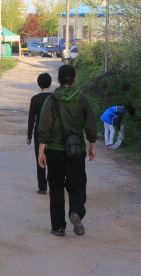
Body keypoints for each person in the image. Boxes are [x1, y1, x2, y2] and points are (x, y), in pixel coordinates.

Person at [37, 65, 98, 237]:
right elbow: (90, 124)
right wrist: (92, 146)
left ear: (58, 80)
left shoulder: (51, 100)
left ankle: (58, 226)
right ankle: (76, 212)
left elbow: (44, 127)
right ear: (74, 80)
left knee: (56, 187)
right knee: (77, 184)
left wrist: (42, 151)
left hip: (55, 151)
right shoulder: (82, 99)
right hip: (76, 150)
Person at [26, 72, 52, 194]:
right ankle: (54, 184)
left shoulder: (35, 99)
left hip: (39, 132)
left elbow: (31, 118)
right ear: (51, 84)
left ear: (38, 84)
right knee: (53, 158)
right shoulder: (54, 98)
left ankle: (42, 187)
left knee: (40, 157)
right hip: (53, 132)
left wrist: (29, 135)